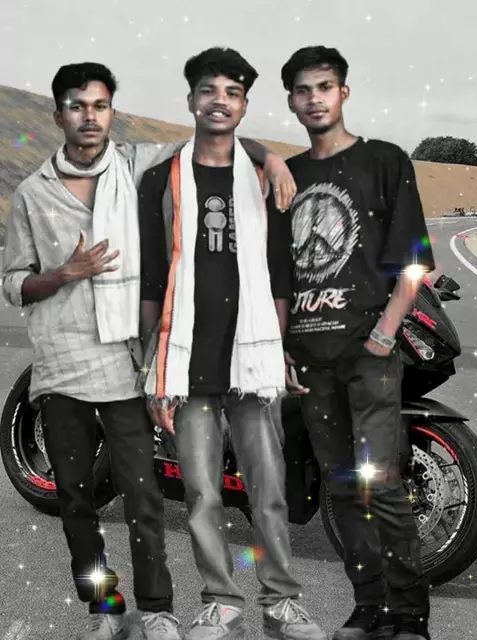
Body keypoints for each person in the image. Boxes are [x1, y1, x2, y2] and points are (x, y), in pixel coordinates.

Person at [1, 61, 299, 640]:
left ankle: (158, 609)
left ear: (111, 111)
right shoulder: (33, 194)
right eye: (77, 106)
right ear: (58, 115)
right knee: (76, 501)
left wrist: (270, 158)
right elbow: (13, 283)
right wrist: (63, 273)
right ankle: (105, 609)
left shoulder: (136, 163)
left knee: (143, 496)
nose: (90, 117)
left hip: (124, 363)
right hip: (60, 365)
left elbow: (213, 136)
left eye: (100, 105)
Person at [138, 47, 327, 640]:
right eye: (209, 90)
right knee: (201, 494)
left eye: (233, 93)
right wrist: (152, 365)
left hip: (252, 357)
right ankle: (221, 601)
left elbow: (280, 272)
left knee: (269, 492)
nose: (219, 101)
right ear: (191, 99)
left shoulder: (266, 181)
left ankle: (281, 600)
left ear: (244, 106)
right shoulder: (160, 180)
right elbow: (151, 277)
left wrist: (281, 348)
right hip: (187, 361)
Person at [280, 46, 435, 640]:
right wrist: (282, 348)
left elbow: (414, 260)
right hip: (309, 361)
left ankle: (409, 614)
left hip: (368, 356)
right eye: (303, 90)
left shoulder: (385, 161)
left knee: (382, 485)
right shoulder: (288, 176)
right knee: (342, 490)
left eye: (324, 86)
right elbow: (277, 273)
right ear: (291, 101)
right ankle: (369, 605)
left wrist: (385, 332)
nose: (314, 98)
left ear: (343, 92)